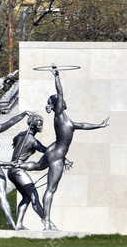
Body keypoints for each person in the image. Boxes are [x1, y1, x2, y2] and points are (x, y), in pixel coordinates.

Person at [17, 67, 108, 230]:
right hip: (57, 154)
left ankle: (17, 165)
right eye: (59, 101)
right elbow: (60, 93)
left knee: (38, 166)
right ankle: (46, 221)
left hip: (54, 150)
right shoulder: (59, 115)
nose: (63, 102)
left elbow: (83, 125)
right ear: (57, 104)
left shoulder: (68, 121)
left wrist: (100, 125)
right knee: (51, 189)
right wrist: (57, 77)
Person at [7, 114, 49, 229]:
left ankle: (19, 224)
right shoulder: (32, 141)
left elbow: (15, 141)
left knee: (26, 197)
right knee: (34, 196)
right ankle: (47, 223)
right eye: (39, 122)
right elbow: (47, 151)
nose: (41, 125)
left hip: (11, 170)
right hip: (18, 170)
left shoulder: (20, 135)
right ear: (33, 124)